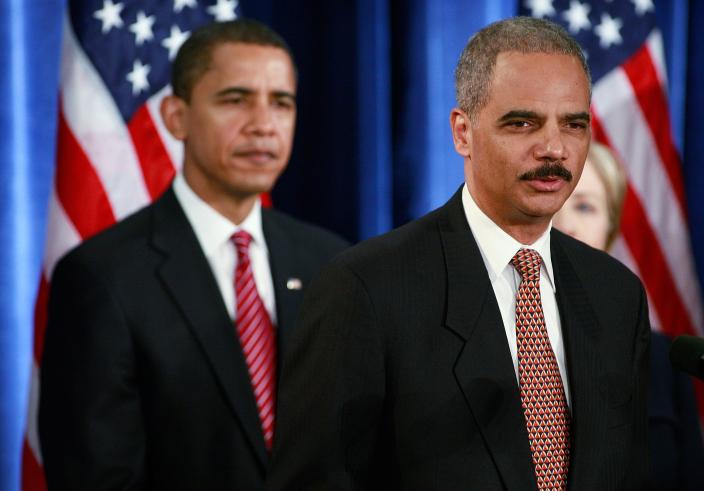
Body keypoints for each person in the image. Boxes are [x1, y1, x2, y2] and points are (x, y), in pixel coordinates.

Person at [268, 17, 649, 490]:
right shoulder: (366, 289)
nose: (554, 148)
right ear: (462, 132)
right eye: (523, 122)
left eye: (574, 124)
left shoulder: (616, 293)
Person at [38, 19, 348, 490]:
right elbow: (97, 475)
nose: (263, 124)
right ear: (175, 117)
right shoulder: (101, 277)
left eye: (280, 103)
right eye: (235, 100)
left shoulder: (332, 263)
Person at [552, 142, 704, 491]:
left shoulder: (665, 361)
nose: (566, 224)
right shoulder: (495, 348)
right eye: (552, 204)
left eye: (585, 207)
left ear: (610, 231)